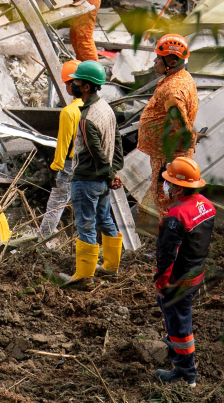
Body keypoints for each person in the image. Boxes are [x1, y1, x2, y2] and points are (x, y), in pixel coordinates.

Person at [152, 158, 215, 387]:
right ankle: (173, 341)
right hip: (196, 272)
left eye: (168, 182)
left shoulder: (175, 217)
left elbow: (168, 256)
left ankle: (186, 373)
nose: (165, 186)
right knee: (172, 313)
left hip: (178, 280)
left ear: (178, 187)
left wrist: (161, 282)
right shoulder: (206, 205)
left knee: (180, 324)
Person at [64, 60, 125, 285]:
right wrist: (114, 170)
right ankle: (110, 266)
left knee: (86, 225)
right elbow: (116, 140)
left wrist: (110, 174)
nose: (74, 85)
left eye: (77, 81)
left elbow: (96, 150)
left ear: (87, 87)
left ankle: (84, 276)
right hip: (102, 181)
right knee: (106, 219)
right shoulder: (106, 109)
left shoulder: (86, 117)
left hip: (87, 180)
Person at [137, 34, 199, 218]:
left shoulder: (173, 89)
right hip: (168, 154)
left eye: (158, 57)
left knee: (166, 202)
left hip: (168, 156)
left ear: (171, 62)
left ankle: (170, 241)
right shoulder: (180, 77)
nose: (154, 61)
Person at [38, 60, 85, 245]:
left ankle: (43, 241)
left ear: (73, 84)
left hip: (70, 164)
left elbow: (63, 145)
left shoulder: (69, 112)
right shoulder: (97, 108)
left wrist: (56, 166)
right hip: (89, 163)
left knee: (55, 205)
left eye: (66, 83)